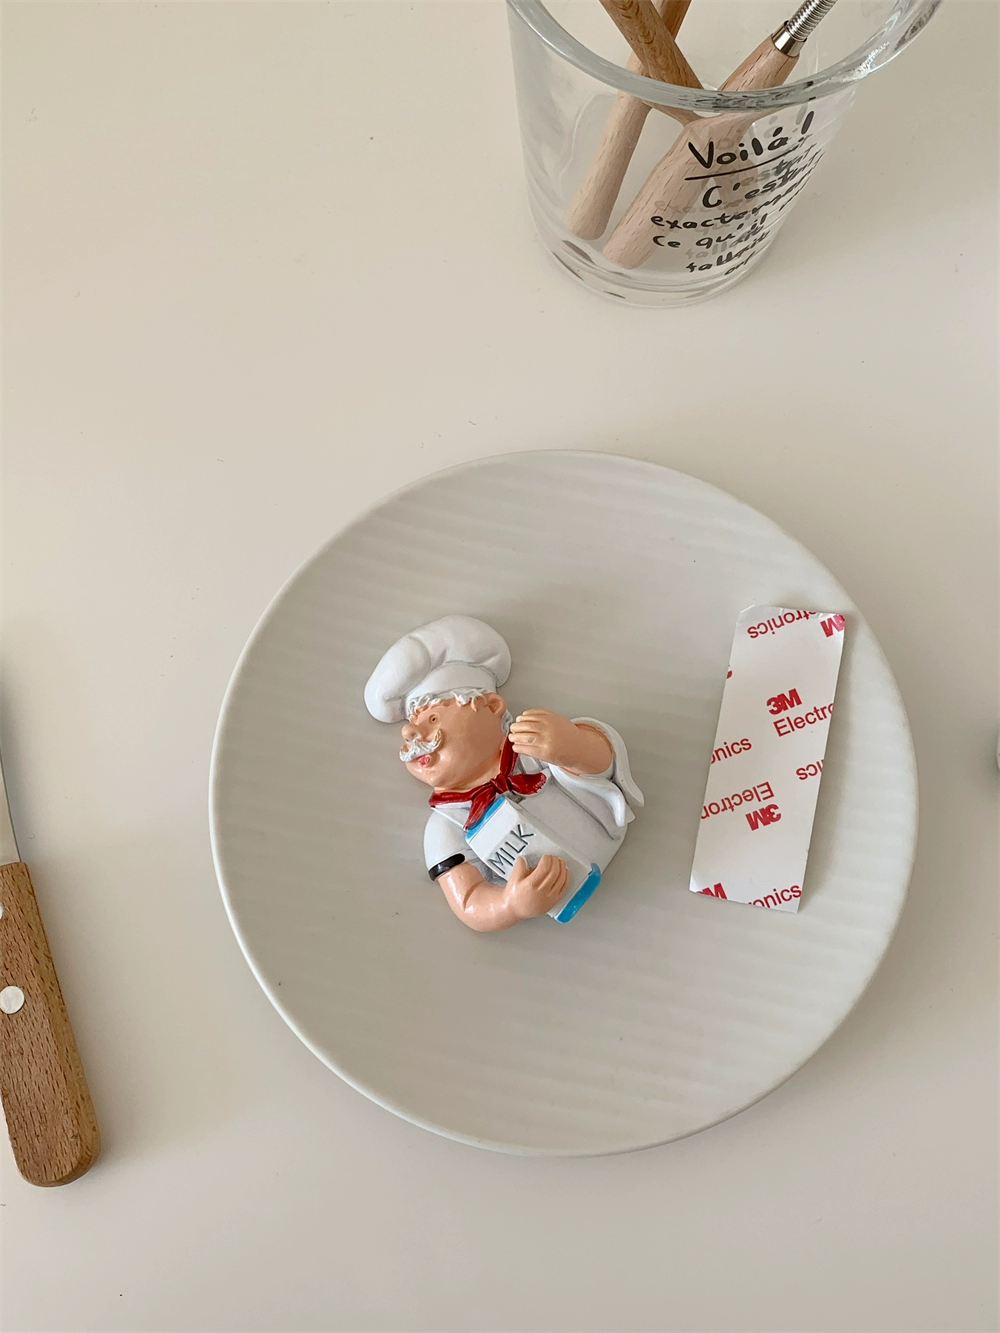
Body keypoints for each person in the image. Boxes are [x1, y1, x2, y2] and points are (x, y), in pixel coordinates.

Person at [364, 616, 643, 932]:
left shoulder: (532, 747)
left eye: (432, 719)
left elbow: (602, 761)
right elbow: (469, 899)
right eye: (411, 729)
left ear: (492, 706)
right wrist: (510, 904)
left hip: (613, 836)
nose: (414, 736)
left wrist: (572, 744)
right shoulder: (446, 826)